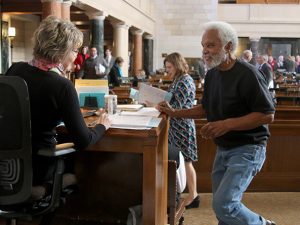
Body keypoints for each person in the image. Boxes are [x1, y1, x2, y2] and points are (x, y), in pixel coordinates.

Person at [157, 21, 276, 225]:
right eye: (203, 45)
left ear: (229, 47)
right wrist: (175, 112)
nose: (204, 51)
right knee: (223, 212)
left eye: (210, 45)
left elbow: (267, 114)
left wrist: (226, 124)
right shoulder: (212, 74)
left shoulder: (248, 74)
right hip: (224, 148)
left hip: (248, 148)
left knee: (225, 204)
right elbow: (206, 108)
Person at [5, 16, 111, 186]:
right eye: (75, 51)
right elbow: (83, 141)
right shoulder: (62, 86)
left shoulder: (14, 69)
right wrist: (101, 125)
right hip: (40, 168)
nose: (76, 57)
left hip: (7, 168)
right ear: (63, 51)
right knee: (87, 173)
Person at [163, 52, 199, 209]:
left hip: (183, 126)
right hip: (176, 125)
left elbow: (177, 107)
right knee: (180, 161)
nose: (167, 71)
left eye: (169, 67)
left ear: (177, 65)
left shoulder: (185, 80)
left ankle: (194, 195)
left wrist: (162, 105)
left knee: (187, 160)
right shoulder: (177, 79)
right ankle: (181, 193)